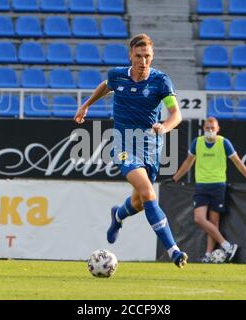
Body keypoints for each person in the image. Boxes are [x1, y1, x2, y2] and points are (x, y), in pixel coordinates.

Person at [74, 33, 188, 268]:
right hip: (124, 145)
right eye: (138, 56)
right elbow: (105, 87)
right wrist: (86, 105)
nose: (143, 61)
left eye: (147, 56)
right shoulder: (118, 76)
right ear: (130, 56)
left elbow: (175, 114)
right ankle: (174, 250)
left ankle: (118, 215)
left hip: (152, 147)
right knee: (147, 192)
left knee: (138, 201)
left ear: (152, 56)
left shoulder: (161, 82)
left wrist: (164, 127)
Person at [172, 117, 246, 263]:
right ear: (203, 129)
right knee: (199, 219)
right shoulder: (197, 142)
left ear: (218, 129)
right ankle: (227, 246)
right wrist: (175, 178)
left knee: (214, 222)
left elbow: (237, 162)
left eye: (213, 128)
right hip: (201, 185)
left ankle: (208, 254)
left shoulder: (224, 142)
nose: (210, 131)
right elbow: (188, 162)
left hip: (218, 185)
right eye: (207, 128)